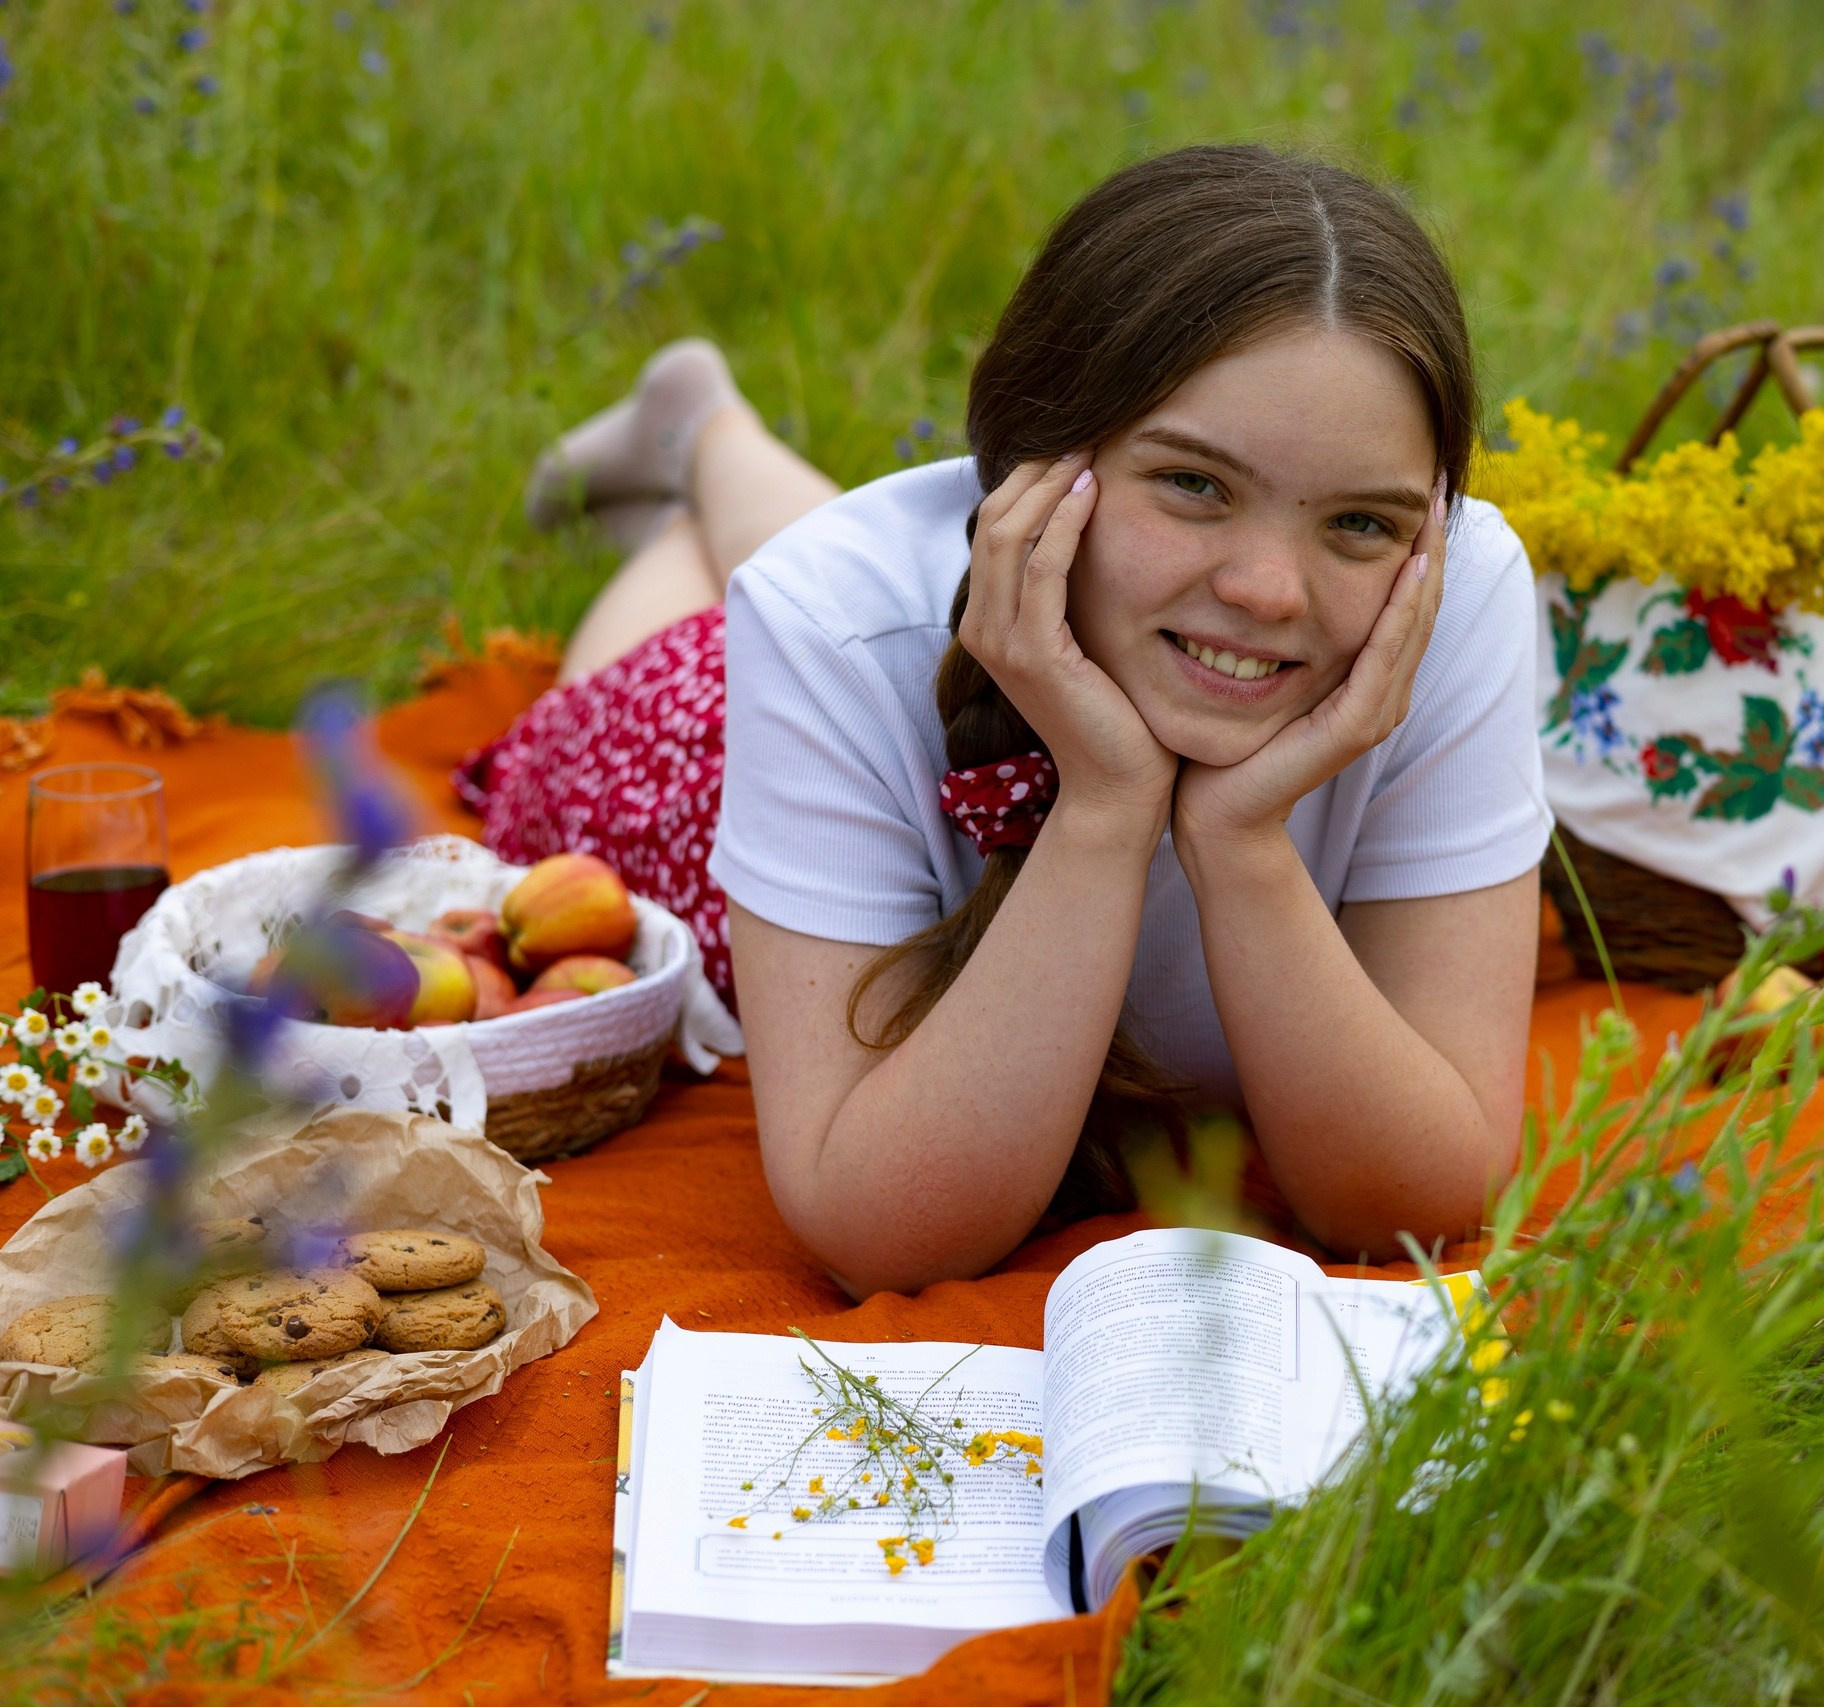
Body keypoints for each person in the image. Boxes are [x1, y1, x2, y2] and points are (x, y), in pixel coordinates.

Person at [470, 144, 1547, 1298]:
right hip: (727, 724)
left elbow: (1417, 1201)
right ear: (1031, 466)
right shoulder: (823, 627)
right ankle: (696, 455)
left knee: (874, 567)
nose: (1270, 592)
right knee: (617, 701)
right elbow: (881, 1234)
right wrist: (1106, 808)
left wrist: (1240, 844)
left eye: (1357, 524)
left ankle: (705, 434)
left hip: (974, 602)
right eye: (1194, 485)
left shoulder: (1453, 587)